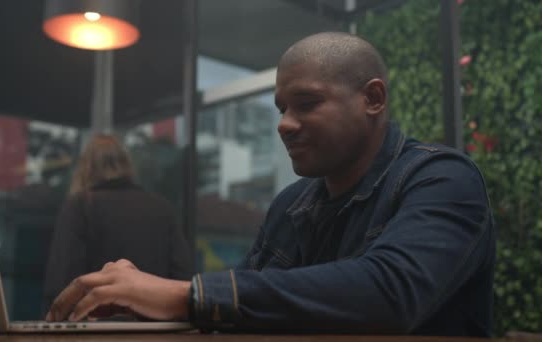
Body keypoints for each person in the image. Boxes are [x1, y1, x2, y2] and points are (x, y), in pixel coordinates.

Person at [46, 32, 495, 336]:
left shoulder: (442, 179)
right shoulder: (291, 204)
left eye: (307, 103)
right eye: (281, 107)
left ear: (373, 99)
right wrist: (141, 309)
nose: (284, 124)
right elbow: (246, 305)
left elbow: (391, 293)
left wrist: (184, 294)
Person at [43, 134, 193, 310]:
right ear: (127, 164)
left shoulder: (80, 206)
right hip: (155, 325)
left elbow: (62, 281)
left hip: (96, 327)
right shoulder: (162, 208)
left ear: (85, 168)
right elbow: (182, 278)